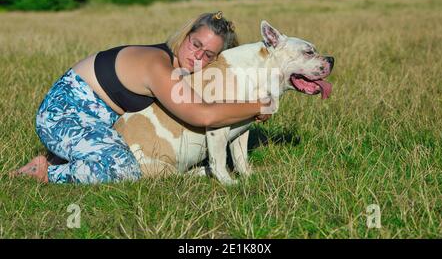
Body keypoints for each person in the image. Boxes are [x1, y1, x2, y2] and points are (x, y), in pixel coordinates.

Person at [11, 11, 272, 184]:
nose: (198, 56)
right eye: (195, 44)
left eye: (209, 55)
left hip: (94, 123)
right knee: (126, 169)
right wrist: (257, 105)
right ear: (185, 35)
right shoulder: (157, 64)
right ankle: (45, 174)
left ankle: (55, 158)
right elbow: (203, 114)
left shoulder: (175, 65)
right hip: (62, 115)